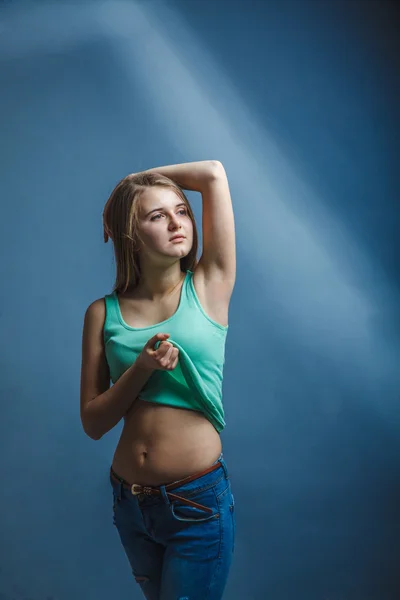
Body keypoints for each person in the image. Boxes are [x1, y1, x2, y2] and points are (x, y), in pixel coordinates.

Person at [80, 160, 236, 600]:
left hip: (196, 503)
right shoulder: (101, 313)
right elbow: (93, 423)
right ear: (131, 234)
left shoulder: (209, 285)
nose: (177, 223)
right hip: (129, 505)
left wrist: (130, 184)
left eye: (182, 211)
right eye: (157, 215)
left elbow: (213, 174)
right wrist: (140, 370)